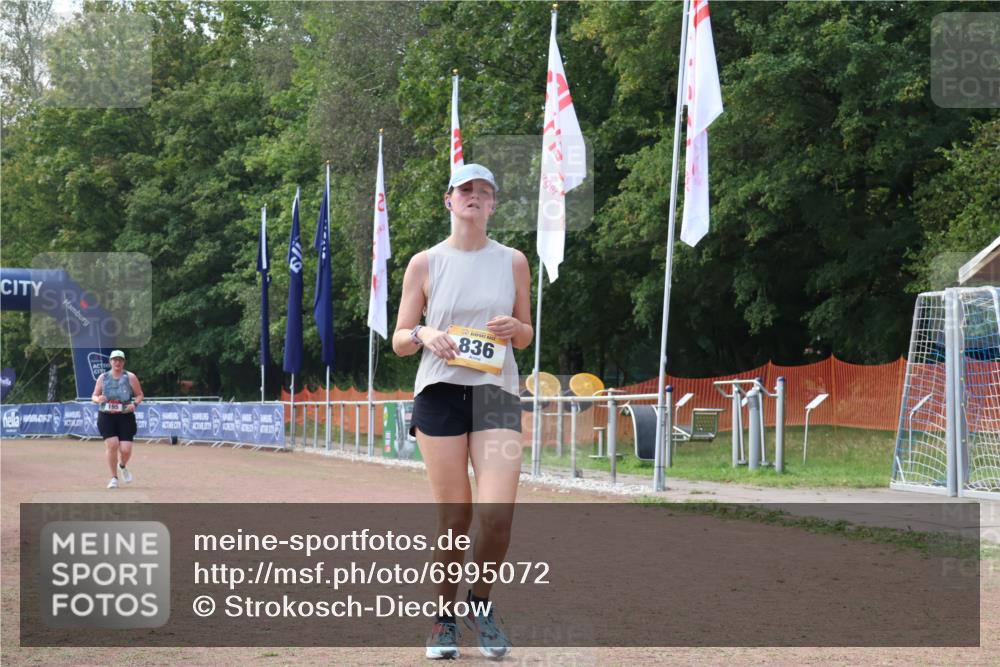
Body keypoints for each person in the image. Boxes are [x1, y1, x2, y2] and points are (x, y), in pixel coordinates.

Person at [392, 163, 533, 660]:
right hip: (440, 394)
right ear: (449, 200)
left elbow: (528, 334)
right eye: (465, 189)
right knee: (456, 515)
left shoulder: (513, 260)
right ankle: (442, 619)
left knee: (497, 515)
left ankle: (481, 605)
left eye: (484, 191)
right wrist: (424, 333)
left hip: (496, 394)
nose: (474, 197)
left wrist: (515, 327)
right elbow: (400, 340)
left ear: (494, 204)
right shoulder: (425, 263)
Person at [91, 349, 144, 489]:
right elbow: (94, 396)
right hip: (106, 416)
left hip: (125, 415)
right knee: (112, 445)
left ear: (124, 362)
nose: (117, 362)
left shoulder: (130, 377)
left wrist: (135, 404)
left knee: (126, 449)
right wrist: (98, 399)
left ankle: (122, 465)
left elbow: (139, 394)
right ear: (110, 362)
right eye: (114, 359)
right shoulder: (103, 377)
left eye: (120, 360)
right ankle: (114, 478)